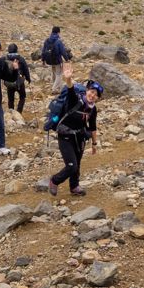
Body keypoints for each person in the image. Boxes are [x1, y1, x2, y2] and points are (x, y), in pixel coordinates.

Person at [46, 65, 102, 196]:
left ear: (98, 98)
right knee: (71, 166)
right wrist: (68, 78)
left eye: (96, 94)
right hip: (65, 135)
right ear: (87, 90)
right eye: (91, 91)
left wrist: (94, 144)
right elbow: (70, 89)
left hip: (79, 137)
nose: (92, 95)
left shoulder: (93, 109)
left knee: (77, 164)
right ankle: (54, 180)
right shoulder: (75, 99)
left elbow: (92, 126)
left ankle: (74, 186)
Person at [40, 26, 73, 93]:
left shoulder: (47, 40)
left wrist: (43, 60)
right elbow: (63, 51)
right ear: (58, 32)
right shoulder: (58, 41)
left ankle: (60, 89)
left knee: (54, 73)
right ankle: (54, 88)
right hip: (56, 60)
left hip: (49, 60)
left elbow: (43, 51)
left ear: (52, 31)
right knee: (59, 74)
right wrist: (67, 59)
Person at [4, 43, 32, 113]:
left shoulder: (5, 58)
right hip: (19, 82)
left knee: (11, 99)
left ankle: (11, 112)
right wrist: (28, 79)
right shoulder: (20, 59)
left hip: (9, 83)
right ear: (17, 50)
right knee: (22, 97)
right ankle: (19, 111)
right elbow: (26, 69)